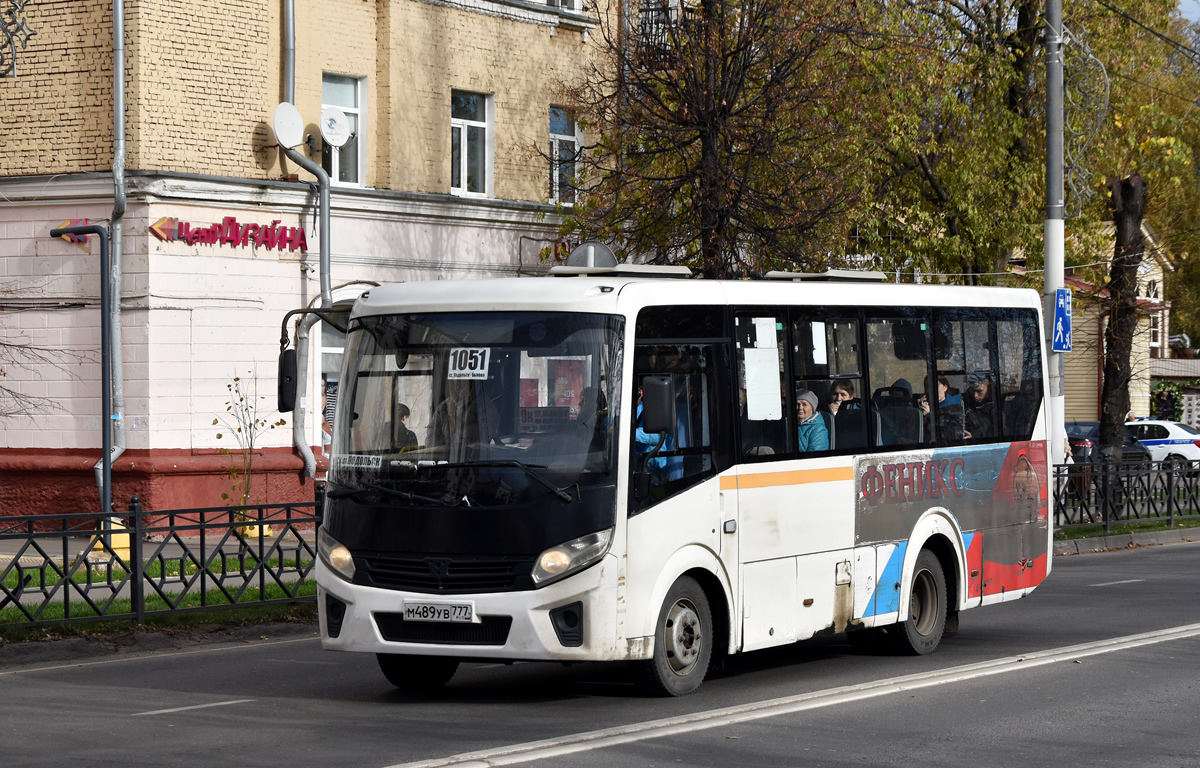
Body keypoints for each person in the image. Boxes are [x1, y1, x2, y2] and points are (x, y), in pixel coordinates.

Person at [921, 375, 964, 442]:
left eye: (936, 386)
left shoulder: (954, 408)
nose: (932, 390)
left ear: (945, 387)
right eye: (929, 387)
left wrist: (930, 416)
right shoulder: (925, 407)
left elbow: (952, 435)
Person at [964, 373, 996, 439]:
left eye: (979, 391)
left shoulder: (995, 408)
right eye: (973, 391)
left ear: (988, 389)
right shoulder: (967, 404)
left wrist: (974, 436)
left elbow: (995, 433)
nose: (975, 395)